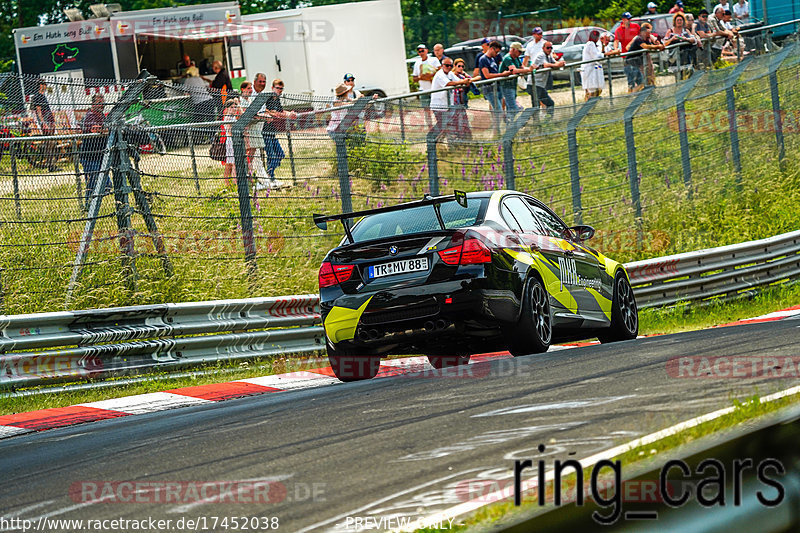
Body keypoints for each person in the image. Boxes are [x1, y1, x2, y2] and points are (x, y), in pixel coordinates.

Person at [260, 79, 297, 190]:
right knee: (271, 155)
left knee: (280, 154)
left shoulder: (277, 100)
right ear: (272, 88)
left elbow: (280, 112)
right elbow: (264, 109)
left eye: (281, 89)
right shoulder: (268, 98)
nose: (279, 90)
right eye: (277, 88)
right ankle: (270, 177)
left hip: (272, 132)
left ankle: (269, 174)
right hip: (264, 131)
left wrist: (289, 114)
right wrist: (273, 114)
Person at [430, 57, 471, 138]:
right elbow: (449, 83)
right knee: (443, 125)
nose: (449, 67)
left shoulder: (450, 73)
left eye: (450, 66)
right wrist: (463, 81)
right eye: (446, 65)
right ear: (442, 66)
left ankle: (444, 142)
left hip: (448, 105)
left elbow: (458, 81)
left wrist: (466, 80)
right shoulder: (439, 75)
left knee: (448, 125)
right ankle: (431, 138)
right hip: (439, 106)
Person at [80, 94, 108, 209]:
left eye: (103, 102)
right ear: (93, 104)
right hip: (89, 156)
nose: (102, 105)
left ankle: (92, 204)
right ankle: (88, 205)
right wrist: (106, 130)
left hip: (100, 154)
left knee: (105, 183)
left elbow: (105, 129)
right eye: (99, 102)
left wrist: (106, 129)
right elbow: (95, 129)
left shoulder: (101, 115)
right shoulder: (90, 116)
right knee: (92, 182)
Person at [239, 81, 269, 182]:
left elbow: (255, 113)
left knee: (254, 152)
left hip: (255, 128)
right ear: (242, 89)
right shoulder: (241, 101)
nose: (251, 90)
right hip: (248, 130)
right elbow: (246, 114)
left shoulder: (251, 100)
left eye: (251, 88)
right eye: (248, 88)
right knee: (250, 153)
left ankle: (254, 175)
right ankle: (247, 173)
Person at [478, 40, 512, 119]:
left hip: (497, 87)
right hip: (489, 88)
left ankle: (498, 129)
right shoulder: (483, 59)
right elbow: (487, 75)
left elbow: (495, 72)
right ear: (492, 49)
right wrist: (502, 75)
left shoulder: (492, 59)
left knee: (499, 111)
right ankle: (498, 129)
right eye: (496, 52)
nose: (497, 54)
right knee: (499, 111)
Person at [626, 24, 664, 92]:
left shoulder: (646, 39)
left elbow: (651, 46)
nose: (649, 34)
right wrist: (658, 47)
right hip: (631, 63)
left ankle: (648, 91)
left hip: (638, 62)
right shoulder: (639, 39)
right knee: (639, 82)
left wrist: (658, 45)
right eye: (647, 33)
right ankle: (632, 94)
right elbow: (645, 46)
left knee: (646, 79)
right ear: (642, 32)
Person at [31, 79, 57, 171]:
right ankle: (51, 166)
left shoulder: (43, 96)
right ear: (40, 85)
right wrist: (43, 123)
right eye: (43, 84)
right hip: (45, 121)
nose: (45, 86)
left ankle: (52, 164)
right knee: (49, 143)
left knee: (52, 143)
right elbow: (38, 111)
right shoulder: (38, 96)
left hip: (49, 120)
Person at [532, 41, 565, 117]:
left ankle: (547, 121)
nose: (549, 49)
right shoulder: (541, 55)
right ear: (543, 48)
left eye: (551, 48)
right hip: (534, 84)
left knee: (548, 103)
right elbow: (546, 65)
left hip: (540, 85)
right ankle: (537, 123)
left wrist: (560, 63)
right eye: (547, 48)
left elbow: (555, 63)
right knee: (537, 105)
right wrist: (557, 65)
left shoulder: (549, 56)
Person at [499, 42, 530, 119]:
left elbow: (522, 67)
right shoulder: (508, 58)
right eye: (519, 51)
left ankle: (510, 123)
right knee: (514, 108)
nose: (520, 53)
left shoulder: (516, 58)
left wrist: (532, 69)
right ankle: (515, 123)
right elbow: (514, 70)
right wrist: (529, 70)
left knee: (511, 108)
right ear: (513, 50)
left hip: (513, 85)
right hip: (506, 86)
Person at [450, 58, 476, 140]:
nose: (461, 68)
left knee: (463, 121)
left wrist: (464, 74)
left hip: (461, 101)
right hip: (454, 101)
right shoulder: (452, 75)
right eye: (459, 66)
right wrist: (464, 81)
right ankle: (456, 139)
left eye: (462, 66)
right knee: (455, 121)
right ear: (455, 66)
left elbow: (471, 79)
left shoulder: (462, 75)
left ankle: (466, 139)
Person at [412, 44, 441, 110]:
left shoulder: (434, 60)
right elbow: (414, 79)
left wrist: (430, 76)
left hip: (434, 89)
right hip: (423, 90)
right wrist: (421, 77)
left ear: (426, 50)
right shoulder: (417, 63)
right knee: (426, 110)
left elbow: (440, 72)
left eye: (422, 51)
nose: (421, 53)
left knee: (437, 109)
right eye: (419, 51)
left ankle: (439, 120)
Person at [222, 96, 242, 187]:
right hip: (231, 141)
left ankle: (231, 182)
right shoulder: (228, 117)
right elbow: (230, 131)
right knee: (233, 163)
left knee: (232, 163)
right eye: (232, 107)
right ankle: (235, 182)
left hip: (235, 140)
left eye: (235, 107)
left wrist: (238, 104)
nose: (234, 109)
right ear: (227, 108)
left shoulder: (234, 117)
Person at [581, 30, 605, 100]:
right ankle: (587, 106)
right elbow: (597, 57)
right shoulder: (590, 44)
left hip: (595, 69)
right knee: (591, 91)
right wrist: (605, 54)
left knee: (597, 90)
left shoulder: (596, 45)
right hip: (589, 71)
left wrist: (603, 46)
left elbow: (601, 58)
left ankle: (591, 106)